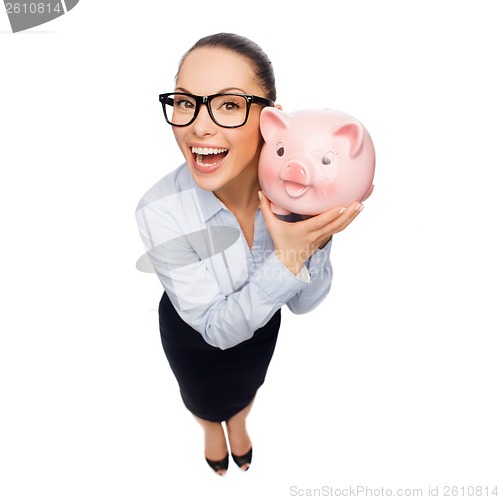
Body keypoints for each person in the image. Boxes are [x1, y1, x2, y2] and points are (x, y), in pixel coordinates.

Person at [135, 32, 372, 476]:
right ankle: (209, 427)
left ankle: (240, 421)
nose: (198, 127)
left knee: (248, 385)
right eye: (185, 102)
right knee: (200, 396)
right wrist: (287, 261)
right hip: (192, 336)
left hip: (263, 329)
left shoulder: (302, 192)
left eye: (228, 105)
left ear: (270, 120)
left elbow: (304, 304)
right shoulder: (160, 209)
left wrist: (308, 237)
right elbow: (215, 330)